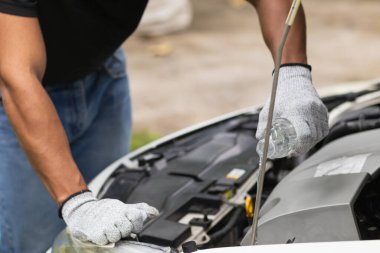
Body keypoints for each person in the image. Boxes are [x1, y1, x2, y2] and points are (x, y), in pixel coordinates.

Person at [0, 0, 328, 252]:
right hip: (16, 95)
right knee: (34, 241)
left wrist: (292, 72)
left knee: (106, 231)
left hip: (103, 69)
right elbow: (17, 75)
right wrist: (76, 201)